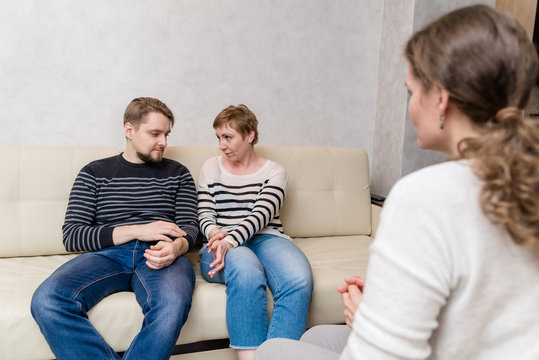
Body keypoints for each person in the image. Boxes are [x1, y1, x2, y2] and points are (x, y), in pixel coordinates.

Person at [255, 5, 539, 360]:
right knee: (316, 338)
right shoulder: (524, 179)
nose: (410, 107)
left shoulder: (426, 195)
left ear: (441, 99)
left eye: (411, 92)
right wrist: (390, 294)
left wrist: (368, 322)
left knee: (272, 351)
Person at [31, 97, 199, 360]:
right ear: (129, 130)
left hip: (161, 254)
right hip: (108, 254)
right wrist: (137, 230)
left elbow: (191, 227)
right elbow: (72, 235)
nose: (163, 142)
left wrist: (177, 246)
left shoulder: (179, 173)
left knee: (172, 304)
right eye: (155, 133)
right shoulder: (94, 172)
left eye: (166, 134)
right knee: (47, 300)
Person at [197, 104, 313, 360]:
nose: (221, 145)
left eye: (228, 137)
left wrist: (232, 239)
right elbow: (204, 214)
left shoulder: (275, 171)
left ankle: (278, 356)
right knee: (247, 269)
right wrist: (218, 235)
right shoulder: (210, 167)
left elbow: (261, 214)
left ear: (249, 135)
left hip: (265, 236)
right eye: (218, 137)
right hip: (219, 242)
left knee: (299, 279)